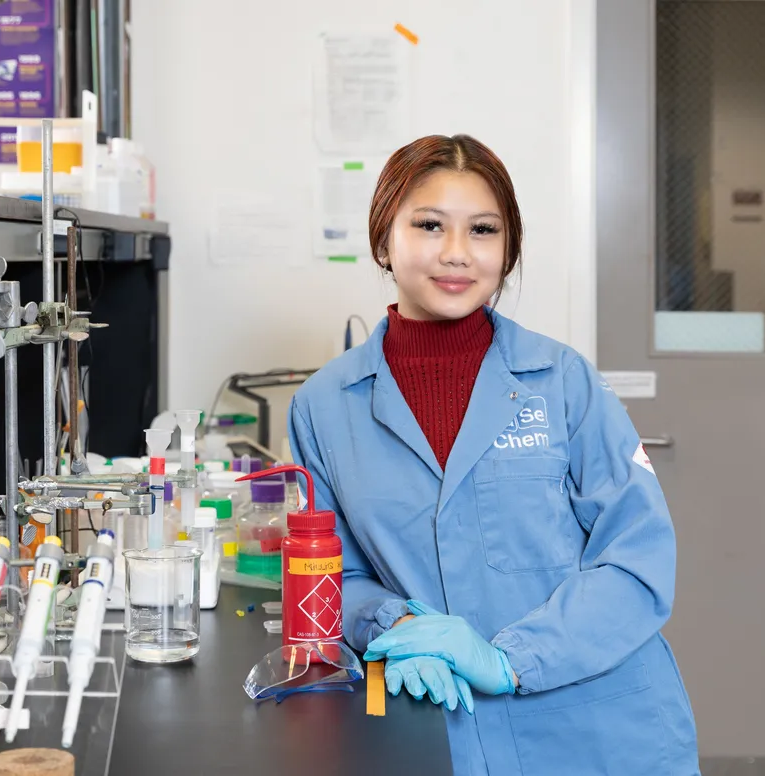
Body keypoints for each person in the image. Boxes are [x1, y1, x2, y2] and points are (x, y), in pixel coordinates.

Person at [287, 134, 699, 775]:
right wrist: (392, 625)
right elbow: (332, 571)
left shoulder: (565, 382)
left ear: (507, 251)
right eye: (429, 225)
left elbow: (637, 562)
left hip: (598, 729)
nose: (457, 253)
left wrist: (511, 660)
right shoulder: (324, 405)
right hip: (438, 729)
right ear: (382, 240)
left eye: (483, 230)